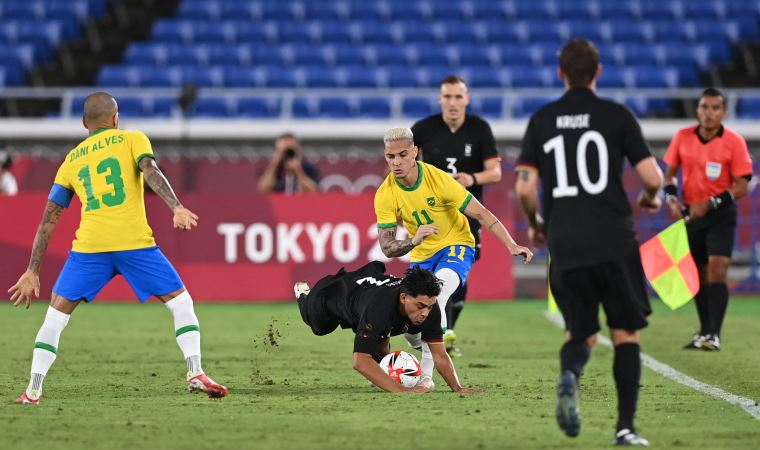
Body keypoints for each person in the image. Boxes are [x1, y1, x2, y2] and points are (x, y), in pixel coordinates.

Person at [7, 92, 228, 404]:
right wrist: (176, 206)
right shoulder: (132, 139)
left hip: (90, 247)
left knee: (55, 317)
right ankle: (195, 371)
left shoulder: (72, 160)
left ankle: (33, 390)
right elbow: (150, 170)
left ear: (85, 123)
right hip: (133, 243)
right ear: (115, 118)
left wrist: (32, 270)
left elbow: (49, 219)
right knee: (181, 303)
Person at [514, 39, 663, 446]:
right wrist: (650, 198)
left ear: (560, 73)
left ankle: (570, 377)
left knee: (579, 335)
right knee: (624, 334)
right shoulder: (616, 116)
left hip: (566, 244)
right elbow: (652, 179)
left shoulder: (542, 120)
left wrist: (536, 223)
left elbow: (525, 187)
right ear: (598, 72)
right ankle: (625, 428)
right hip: (614, 240)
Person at [374, 127, 533, 381]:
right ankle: (430, 342)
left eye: (403, 155)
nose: (397, 162)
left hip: (456, 245)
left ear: (415, 152)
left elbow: (481, 213)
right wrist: (414, 240)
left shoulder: (439, 180)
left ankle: (426, 378)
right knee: (411, 326)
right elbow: (387, 247)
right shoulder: (385, 194)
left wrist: (511, 245)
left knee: (436, 296)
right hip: (422, 255)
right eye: (390, 157)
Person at [411, 75, 502, 356]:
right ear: (440, 100)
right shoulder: (423, 129)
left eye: (458, 97)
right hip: (431, 215)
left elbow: (495, 172)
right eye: (447, 97)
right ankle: (432, 330)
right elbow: (407, 167)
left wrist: (472, 178)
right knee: (428, 274)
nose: (452, 103)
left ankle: (447, 329)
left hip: (468, 214)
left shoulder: (479, 129)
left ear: (467, 99)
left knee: (459, 273)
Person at [663, 88, 753, 352]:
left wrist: (711, 203)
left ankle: (715, 334)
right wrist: (671, 199)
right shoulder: (682, 137)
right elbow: (669, 176)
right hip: (692, 214)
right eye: (704, 107)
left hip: (720, 214)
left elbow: (742, 186)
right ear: (697, 110)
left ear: (724, 112)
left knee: (718, 268)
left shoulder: (734, 142)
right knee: (698, 274)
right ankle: (704, 332)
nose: (709, 113)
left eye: (715, 108)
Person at [295, 261, 472, 393]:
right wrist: (402, 390)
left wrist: (458, 387)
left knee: (381, 341)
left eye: (430, 306)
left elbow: (439, 355)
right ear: (404, 298)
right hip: (333, 296)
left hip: (365, 296)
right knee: (319, 328)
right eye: (420, 306)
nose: (426, 313)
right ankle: (304, 295)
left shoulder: (427, 308)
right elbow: (360, 361)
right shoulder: (380, 310)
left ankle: (383, 370)